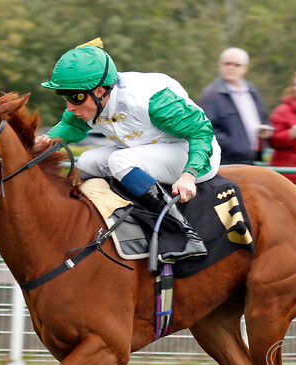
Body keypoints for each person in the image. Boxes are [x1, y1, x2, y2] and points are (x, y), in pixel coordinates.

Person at [37, 38, 221, 262]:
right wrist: (46, 140)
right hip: (143, 151)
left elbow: (201, 131)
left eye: (75, 97)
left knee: (120, 161)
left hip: (191, 152)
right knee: (86, 161)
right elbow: (70, 126)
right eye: (64, 97)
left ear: (100, 90)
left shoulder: (150, 99)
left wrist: (189, 175)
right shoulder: (93, 101)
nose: (70, 106)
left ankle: (184, 234)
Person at [199, 47, 273, 165]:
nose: (231, 68)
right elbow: (205, 127)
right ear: (220, 65)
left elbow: (263, 118)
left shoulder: (252, 91)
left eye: (236, 65)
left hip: (253, 159)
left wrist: (265, 131)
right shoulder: (211, 94)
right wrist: (231, 145)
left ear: (245, 68)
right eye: (227, 64)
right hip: (227, 162)